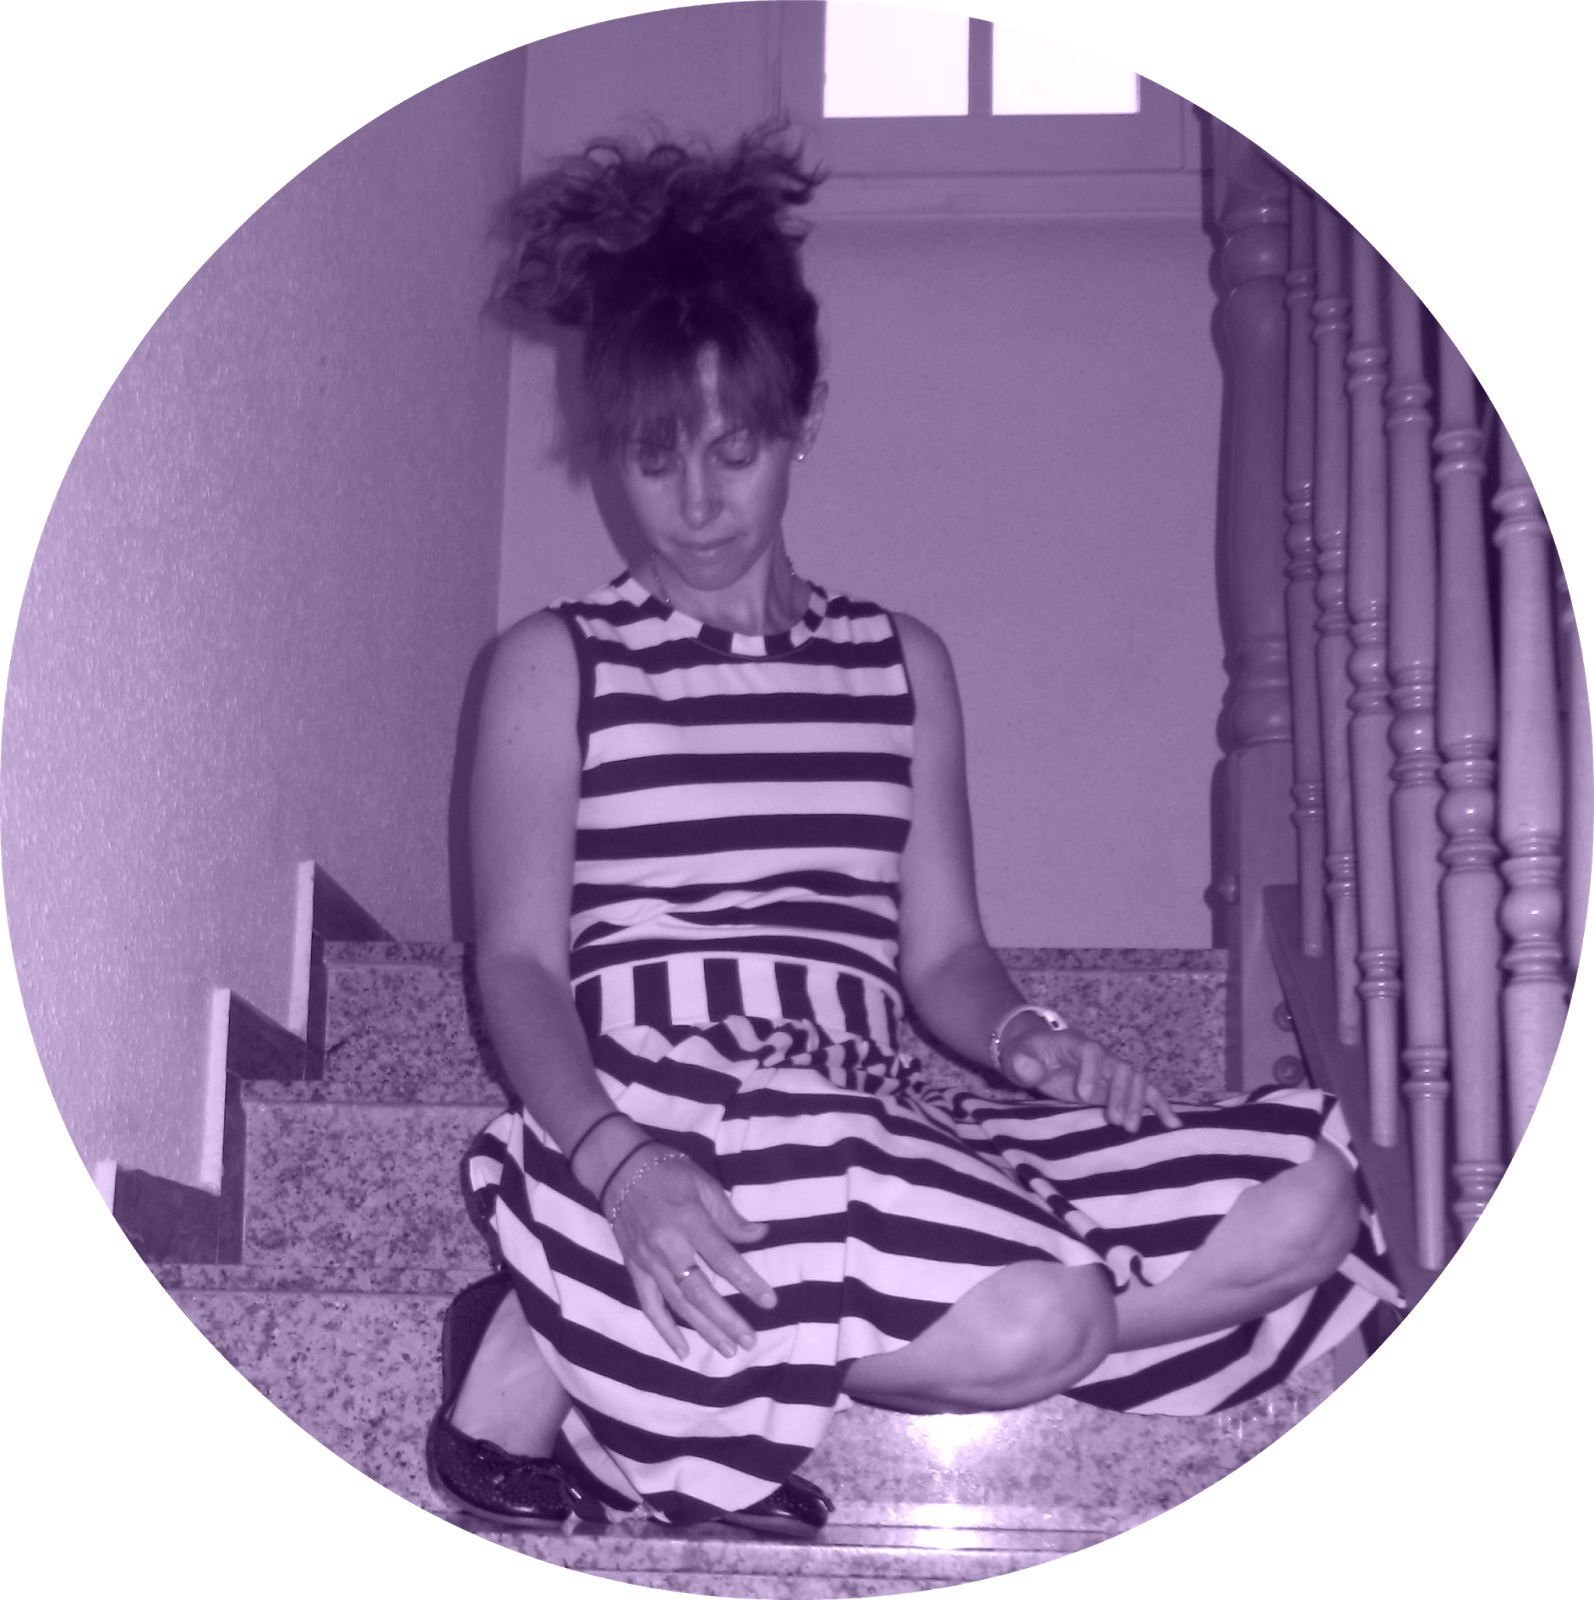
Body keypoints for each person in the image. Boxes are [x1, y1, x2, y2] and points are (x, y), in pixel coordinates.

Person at [425, 122, 1403, 1536]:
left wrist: (1028, 1041)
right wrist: (619, 1162)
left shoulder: (900, 663)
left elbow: (942, 956)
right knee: (1040, 1320)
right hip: (675, 1110)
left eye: (735, 448)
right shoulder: (555, 662)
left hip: (875, 1103)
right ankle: (582, 1308)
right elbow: (516, 964)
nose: (694, 503)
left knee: (1312, 1194)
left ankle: (627, 1349)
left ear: (805, 418)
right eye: (651, 455)